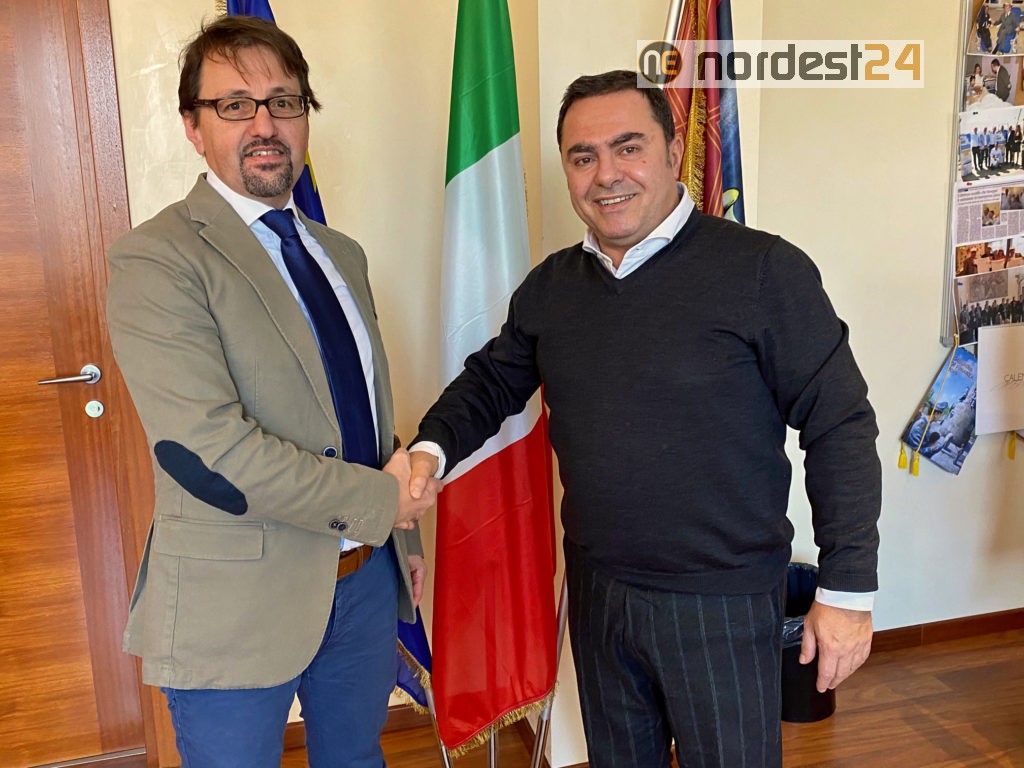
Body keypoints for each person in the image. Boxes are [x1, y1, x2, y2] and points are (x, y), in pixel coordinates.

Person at [406, 70, 881, 768]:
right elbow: (491, 382)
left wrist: (846, 590)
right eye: (583, 156)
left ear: (672, 152)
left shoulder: (763, 271)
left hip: (721, 601)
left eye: (628, 148)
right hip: (600, 594)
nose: (606, 174)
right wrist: (428, 450)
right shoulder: (552, 286)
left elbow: (839, 423)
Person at [105, 15, 440, 767]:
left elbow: (365, 414)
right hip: (234, 600)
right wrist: (384, 503)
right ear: (193, 127)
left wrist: (401, 539)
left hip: (362, 581)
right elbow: (210, 452)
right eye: (234, 105)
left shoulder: (341, 254)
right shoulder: (155, 259)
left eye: (283, 102)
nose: (264, 124)